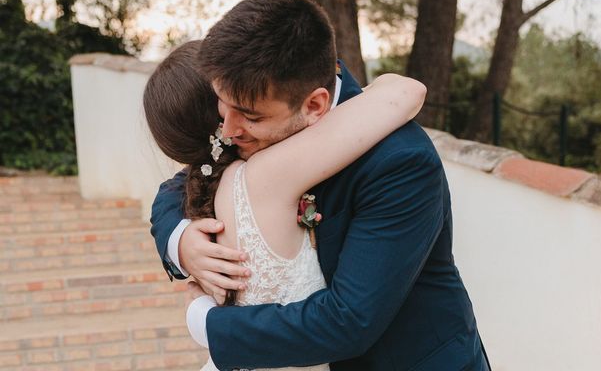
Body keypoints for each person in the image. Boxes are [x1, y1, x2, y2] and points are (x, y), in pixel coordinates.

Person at [150, 0, 490, 370]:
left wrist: (207, 323)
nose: (227, 132)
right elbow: (184, 179)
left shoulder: (400, 162)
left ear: (315, 105)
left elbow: (351, 321)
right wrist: (180, 242)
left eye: (248, 116)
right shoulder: (264, 94)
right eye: (220, 107)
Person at [144, 40, 426, 371]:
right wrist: (178, 243)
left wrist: (182, 250)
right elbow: (406, 94)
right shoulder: (267, 174)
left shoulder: (215, 181)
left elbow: (178, 184)